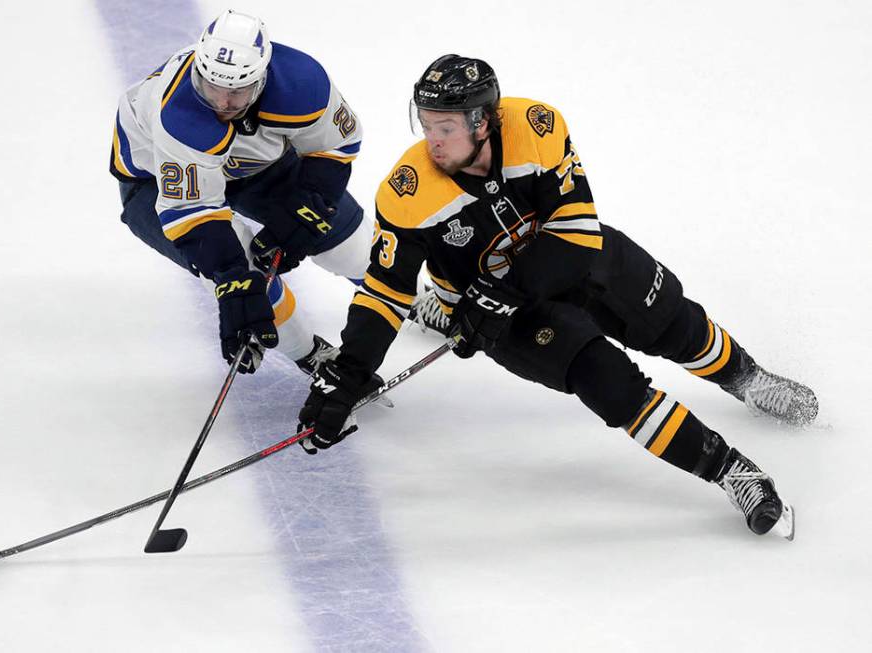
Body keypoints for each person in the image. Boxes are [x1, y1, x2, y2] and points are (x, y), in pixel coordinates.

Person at [297, 54, 820, 538]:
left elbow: (575, 233)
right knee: (610, 384)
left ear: (483, 122)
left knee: (674, 326)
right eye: (426, 124)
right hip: (506, 319)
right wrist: (349, 372)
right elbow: (384, 292)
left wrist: (498, 291)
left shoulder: (536, 126)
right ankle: (732, 472)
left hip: (571, 262)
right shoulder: (407, 192)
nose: (433, 141)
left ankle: (747, 379)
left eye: (447, 127)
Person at [110, 9, 372, 374]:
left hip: (253, 161)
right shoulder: (179, 115)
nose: (221, 103)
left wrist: (311, 201)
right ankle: (309, 354)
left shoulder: (301, 82)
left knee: (345, 240)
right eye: (211, 87)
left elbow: (335, 146)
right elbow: (193, 210)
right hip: (154, 179)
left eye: (236, 91)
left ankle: (405, 297)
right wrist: (232, 277)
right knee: (244, 272)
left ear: (262, 79)